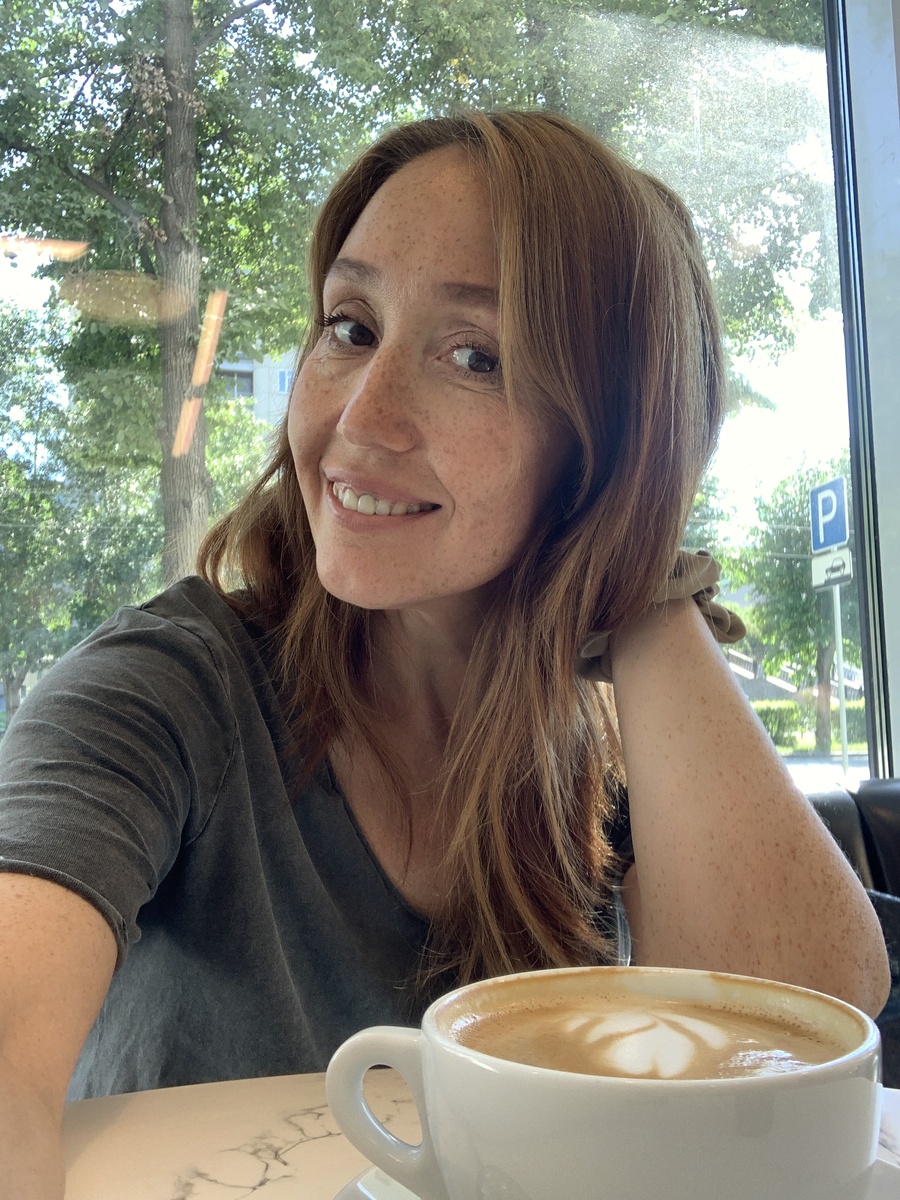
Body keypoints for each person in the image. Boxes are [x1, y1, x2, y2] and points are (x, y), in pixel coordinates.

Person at [0, 110, 890, 1199]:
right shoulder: (163, 690)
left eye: (474, 356)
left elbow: (797, 1056)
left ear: (605, 449)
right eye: (350, 326)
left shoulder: (615, 752)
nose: (361, 417)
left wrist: (645, 580)